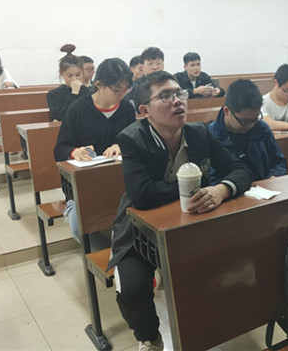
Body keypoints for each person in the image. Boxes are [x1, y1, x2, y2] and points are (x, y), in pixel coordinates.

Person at [108, 71, 252, 351]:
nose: (177, 101)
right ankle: (150, 338)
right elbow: (142, 196)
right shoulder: (132, 138)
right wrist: (194, 187)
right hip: (138, 231)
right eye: (165, 96)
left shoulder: (199, 133)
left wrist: (221, 189)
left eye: (179, 93)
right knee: (132, 289)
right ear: (144, 111)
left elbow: (240, 169)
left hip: (191, 227)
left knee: (229, 267)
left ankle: (211, 328)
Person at [53, 58, 136, 243]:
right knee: (81, 229)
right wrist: (75, 152)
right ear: (98, 85)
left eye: (126, 89)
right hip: (84, 185)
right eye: (116, 89)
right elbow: (60, 149)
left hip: (119, 181)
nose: (122, 94)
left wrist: (121, 145)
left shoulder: (127, 110)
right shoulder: (77, 109)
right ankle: (71, 207)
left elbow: (135, 143)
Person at [208, 79, 286, 183]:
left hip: (264, 188)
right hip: (231, 191)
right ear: (226, 111)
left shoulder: (262, 129)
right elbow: (210, 179)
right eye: (245, 121)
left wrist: (273, 176)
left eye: (255, 119)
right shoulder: (210, 136)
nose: (251, 125)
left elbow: (279, 162)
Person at [46, 44, 91, 121]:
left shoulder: (88, 92)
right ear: (61, 73)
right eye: (69, 75)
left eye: (78, 75)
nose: (74, 79)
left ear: (83, 72)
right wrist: (74, 93)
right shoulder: (54, 94)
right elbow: (61, 117)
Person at [124, 47, 165, 112]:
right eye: (150, 64)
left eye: (158, 64)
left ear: (163, 66)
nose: (155, 67)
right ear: (143, 67)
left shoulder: (169, 83)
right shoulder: (135, 87)